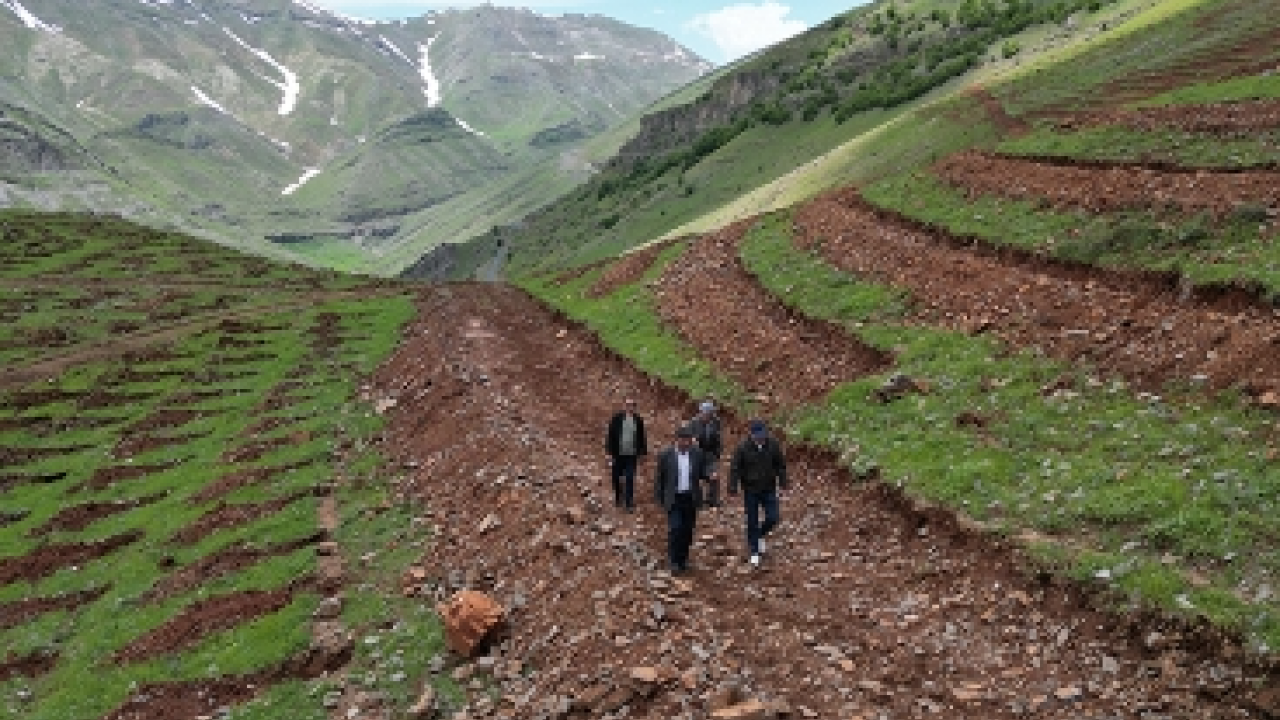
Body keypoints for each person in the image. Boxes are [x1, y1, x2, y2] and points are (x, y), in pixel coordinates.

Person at [728, 419, 788, 568]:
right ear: (751, 434)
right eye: (758, 435)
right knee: (752, 520)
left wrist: (783, 481)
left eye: (763, 434)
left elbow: (780, 464)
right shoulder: (742, 448)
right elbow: (735, 468)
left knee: (773, 517)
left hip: (768, 488)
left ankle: (760, 534)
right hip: (751, 490)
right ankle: (754, 551)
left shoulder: (773, 444)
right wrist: (733, 486)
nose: (761, 437)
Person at [653, 425, 712, 575]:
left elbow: (703, 471)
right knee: (676, 528)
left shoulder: (697, 454)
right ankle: (673, 561)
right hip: (674, 498)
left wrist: (710, 475)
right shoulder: (666, 455)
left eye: (688, 440)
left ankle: (683, 559)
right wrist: (659, 498)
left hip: (690, 498)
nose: (686, 443)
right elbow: (660, 478)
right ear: (677, 440)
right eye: (683, 440)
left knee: (687, 530)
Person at [604, 398, 647, 512]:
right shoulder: (617, 419)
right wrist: (609, 452)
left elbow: (642, 437)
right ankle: (619, 496)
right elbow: (610, 435)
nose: (629, 407)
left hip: (631, 455)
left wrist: (642, 453)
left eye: (632, 405)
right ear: (624, 406)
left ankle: (629, 502)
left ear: (634, 407)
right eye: (628, 405)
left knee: (630, 478)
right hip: (617, 454)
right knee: (615, 477)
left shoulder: (638, 420)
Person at [688, 400, 723, 508]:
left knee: (714, 477)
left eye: (710, 414)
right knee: (694, 478)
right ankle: (697, 501)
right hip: (696, 454)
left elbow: (718, 439)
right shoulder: (693, 423)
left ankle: (712, 500)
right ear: (701, 412)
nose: (707, 416)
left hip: (710, 454)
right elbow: (686, 438)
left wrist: (717, 453)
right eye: (705, 413)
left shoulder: (716, 422)